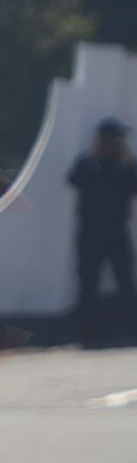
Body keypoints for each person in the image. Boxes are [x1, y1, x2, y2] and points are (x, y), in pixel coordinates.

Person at [68, 117, 135, 346]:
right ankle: (89, 334)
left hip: (117, 231)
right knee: (88, 282)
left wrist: (126, 160)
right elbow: (74, 179)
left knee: (125, 281)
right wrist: (98, 156)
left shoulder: (125, 166)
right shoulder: (88, 164)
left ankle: (129, 331)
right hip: (90, 232)